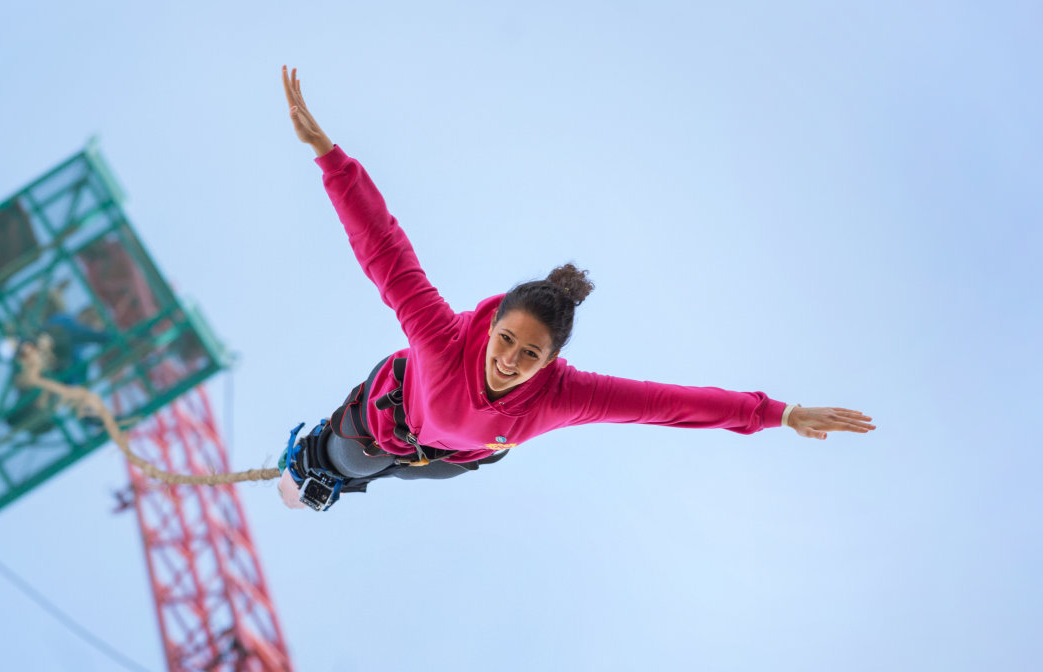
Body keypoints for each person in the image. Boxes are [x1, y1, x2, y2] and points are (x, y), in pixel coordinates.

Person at [275, 65, 876, 511]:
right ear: (490, 327)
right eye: (506, 340)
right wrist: (329, 157)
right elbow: (383, 248)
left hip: (450, 459)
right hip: (387, 419)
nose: (509, 361)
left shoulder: (562, 395)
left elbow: (666, 404)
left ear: (552, 360)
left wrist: (781, 414)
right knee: (341, 467)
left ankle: (352, 476)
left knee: (407, 471)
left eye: (529, 354)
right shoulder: (440, 336)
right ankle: (320, 458)